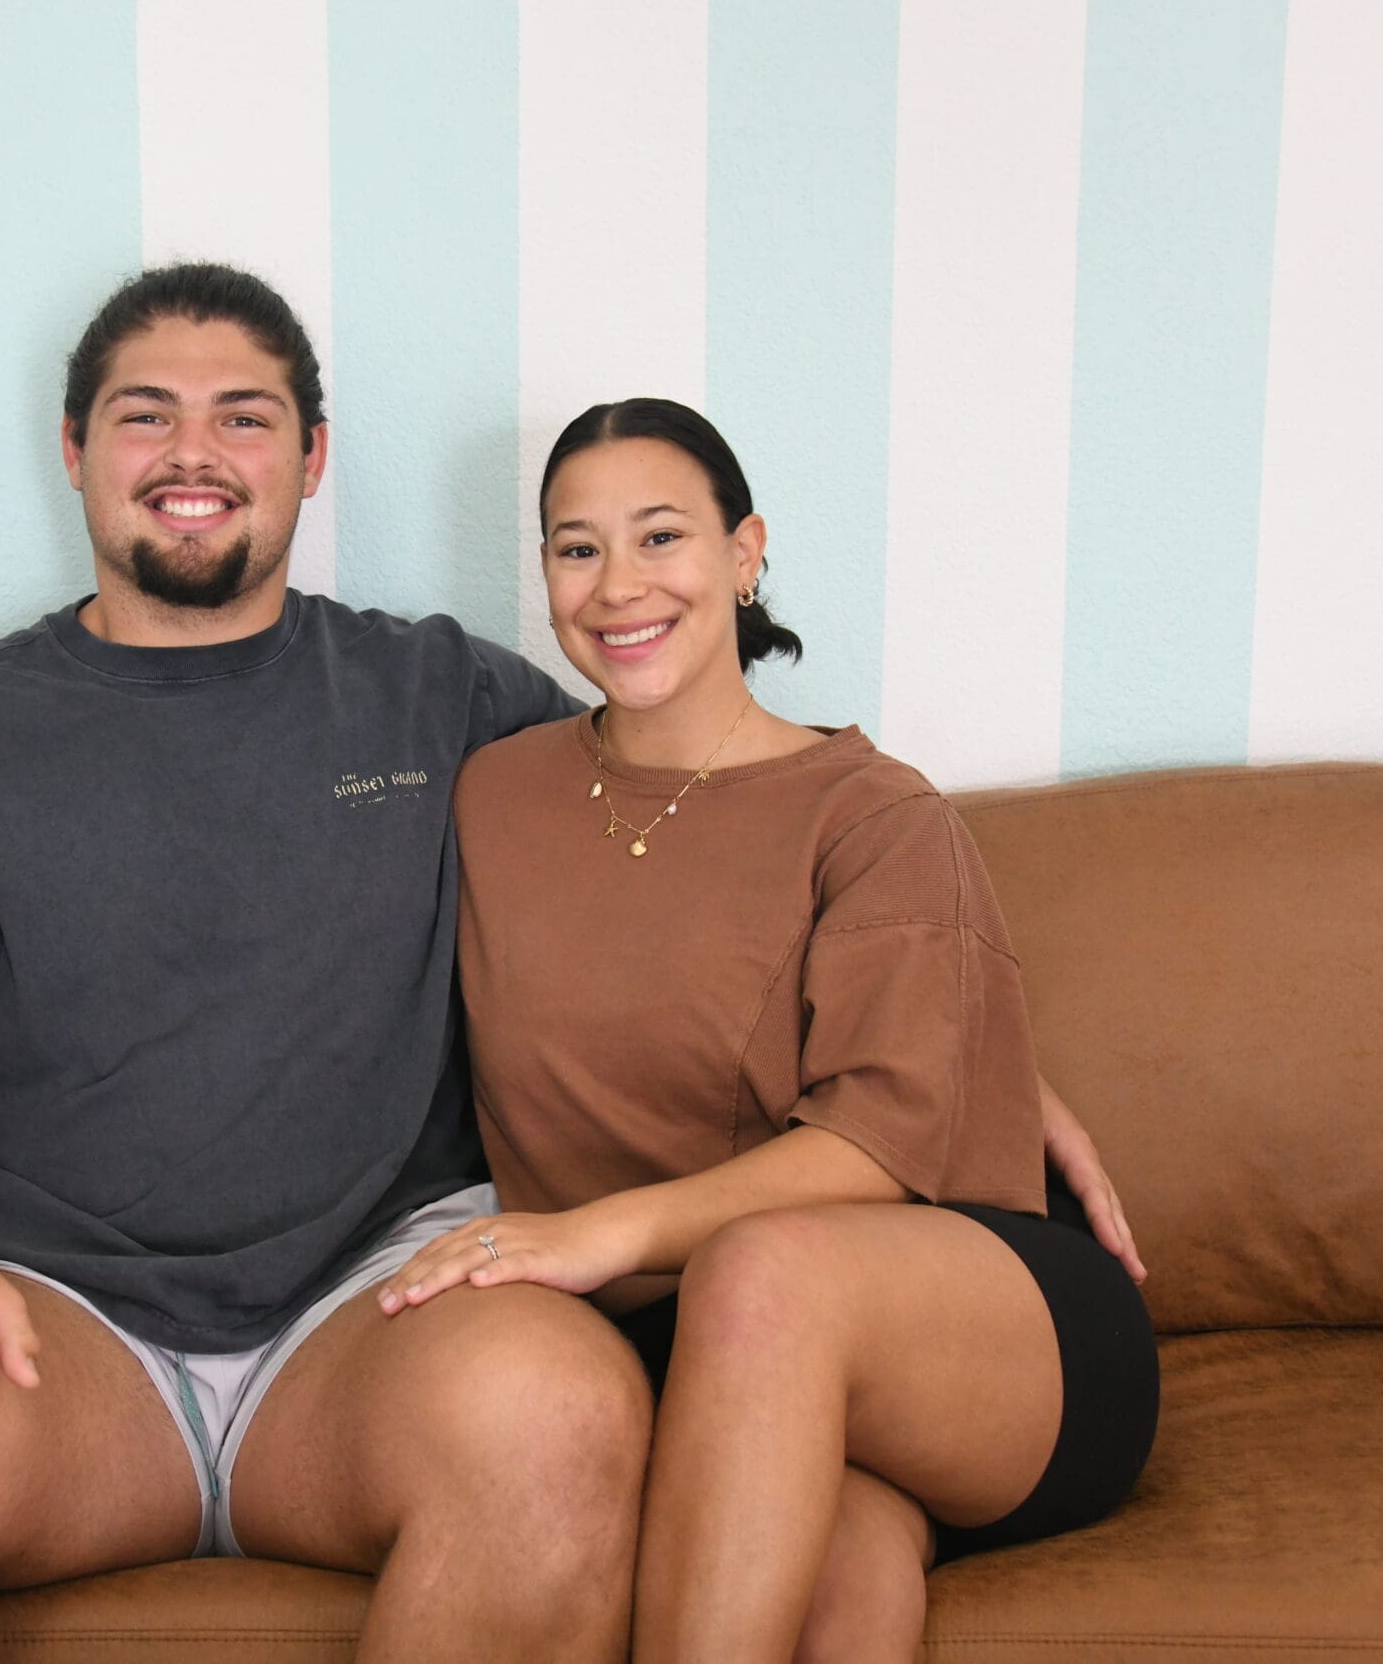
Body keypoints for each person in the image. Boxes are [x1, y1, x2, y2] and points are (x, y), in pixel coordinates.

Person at [0, 266, 1141, 1662]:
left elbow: (719, 837)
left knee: (557, 1414)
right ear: (75, 449)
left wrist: (969, 1055)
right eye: (146, 414)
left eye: (244, 417)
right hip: (57, 1315)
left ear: (311, 458)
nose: (193, 454)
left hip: (379, 1308)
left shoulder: (446, 699)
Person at [376, 398, 1161, 1662]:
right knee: (837, 1582)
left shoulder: (873, 812)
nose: (617, 585)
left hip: (971, 1320)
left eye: (661, 536)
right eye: (576, 548)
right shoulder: (492, 787)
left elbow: (883, 1140)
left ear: (744, 554)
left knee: (762, 1274)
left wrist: (595, 1233)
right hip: (697, 1350)